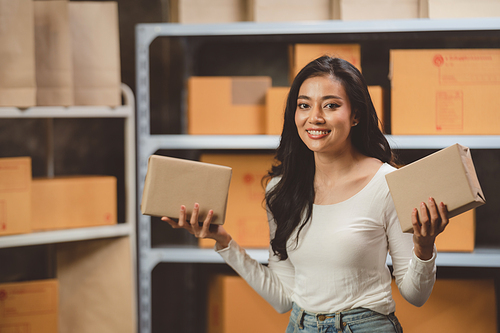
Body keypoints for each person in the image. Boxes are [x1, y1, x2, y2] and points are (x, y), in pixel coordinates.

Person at [162, 56, 449, 332]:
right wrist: (222, 241)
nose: (315, 118)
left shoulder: (387, 184)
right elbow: (283, 297)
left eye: (331, 105)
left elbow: (415, 295)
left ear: (356, 115)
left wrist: (424, 247)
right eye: (304, 105)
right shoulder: (282, 190)